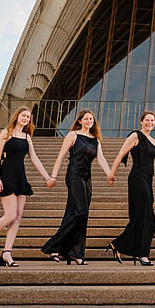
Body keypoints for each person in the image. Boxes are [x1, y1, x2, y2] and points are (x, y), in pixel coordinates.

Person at [0, 106, 55, 266]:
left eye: (28, 117)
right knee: (9, 216)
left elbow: (34, 158)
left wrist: (47, 177)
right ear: (17, 116)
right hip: (7, 175)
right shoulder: (6, 133)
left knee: (17, 218)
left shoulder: (26, 137)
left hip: (20, 177)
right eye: (23, 116)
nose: (26, 119)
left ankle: (7, 253)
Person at [41, 109, 111, 265]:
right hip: (74, 174)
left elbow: (101, 159)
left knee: (79, 214)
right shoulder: (73, 135)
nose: (88, 121)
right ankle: (54, 245)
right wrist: (53, 176)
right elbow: (60, 156)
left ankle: (76, 253)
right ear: (79, 120)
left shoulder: (95, 139)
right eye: (85, 119)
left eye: (91, 119)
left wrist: (109, 174)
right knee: (81, 211)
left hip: (87, 178)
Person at [106, 111, 155, 266]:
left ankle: (118, 244)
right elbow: (120, 154)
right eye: (147, 120)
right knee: (144, 216)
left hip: (148, 179)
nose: (149, 123)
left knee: (151, 222)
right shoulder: (135, 136)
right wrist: (111, 174)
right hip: (137, 178)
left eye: (152, 120)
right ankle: (142, 255)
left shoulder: (154, 142)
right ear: (141, 121)